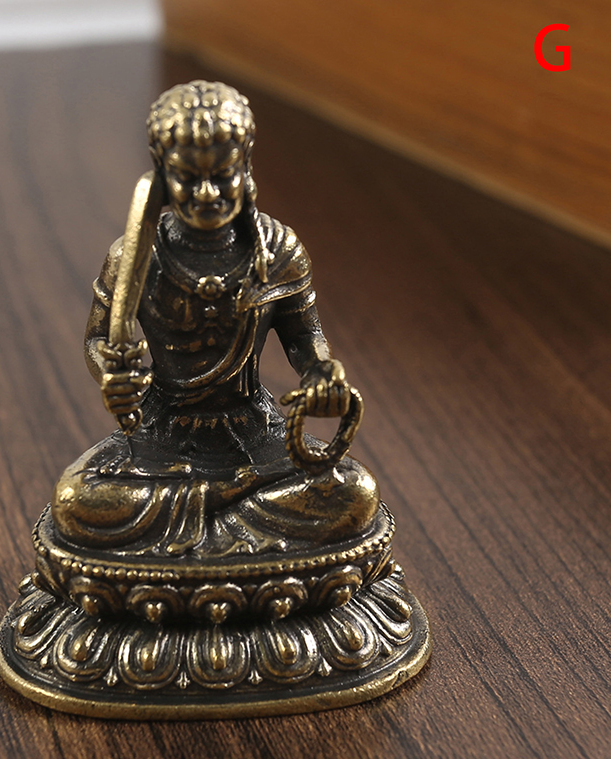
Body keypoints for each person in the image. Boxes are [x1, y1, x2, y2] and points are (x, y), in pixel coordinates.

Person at [51, 81, 380, 558]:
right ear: (162, 172)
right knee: (76, 500)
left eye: (223, 176)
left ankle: (197, 526)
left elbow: (305, 338)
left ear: (245, 166)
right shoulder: (135, 257)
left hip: (254, 432)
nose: (207, 194)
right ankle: (232, 514)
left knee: (354, 492)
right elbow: (98, 339)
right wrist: (111, 376)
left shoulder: (278, 250)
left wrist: (322, 374)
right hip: (161, 433)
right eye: (188, 178)